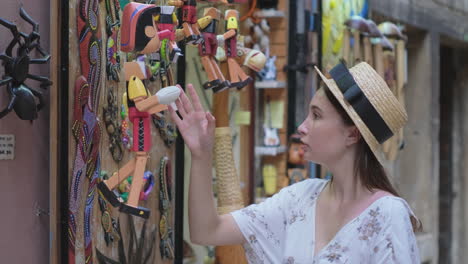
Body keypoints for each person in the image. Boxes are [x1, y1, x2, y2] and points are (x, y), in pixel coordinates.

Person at [168, 61, 422, 263]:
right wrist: (201, 155)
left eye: (316, 115)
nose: (302, 127)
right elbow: (207, 231)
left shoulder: (388, 215)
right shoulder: (300, 199)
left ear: (352, 134)